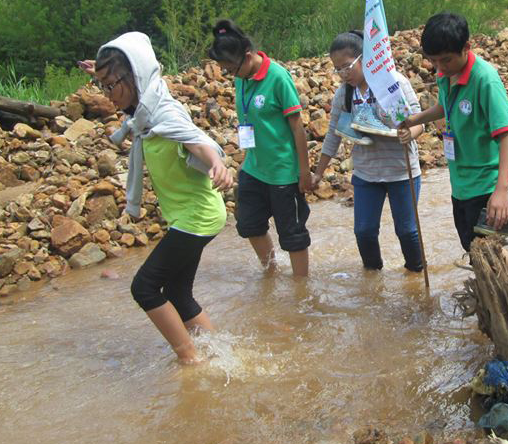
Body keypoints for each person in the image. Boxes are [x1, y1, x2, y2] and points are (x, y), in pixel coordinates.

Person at [80, 32, 233, 364]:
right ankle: (221, 353)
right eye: (101, 86)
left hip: (197, 216)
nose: (107, 95)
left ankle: (191, 360)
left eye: (110, 85)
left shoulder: (164, 114)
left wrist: (217, 163)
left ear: (135, 77)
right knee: (178, 293)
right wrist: (100, 73)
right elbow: (130, 95)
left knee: (144, 288)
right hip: (189, 216)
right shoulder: (145, 111)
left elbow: (195, 140)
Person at [398, 12, 508, 288]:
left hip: (486, 182)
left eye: (445, 60)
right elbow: (445, 107)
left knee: (486, 248)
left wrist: (502, 191)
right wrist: (415, 120)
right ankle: (499, 298)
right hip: (461, 182)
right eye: (433, 61)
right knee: (474, 248)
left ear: (466, 48)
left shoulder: (485, 80)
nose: (440, 67)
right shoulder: (446, 75)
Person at [314, 30, 426, 273]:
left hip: (401, 171)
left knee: (407, 231)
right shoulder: (345, 93)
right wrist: (318, 173)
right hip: (366, 174)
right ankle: (373, 280)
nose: (344, 74)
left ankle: (415, 276)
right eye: (338, 70)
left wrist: (410, 133)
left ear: (364, 58)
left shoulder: (393, 83)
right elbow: (333, 133)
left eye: (347, 67)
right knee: (364, 231)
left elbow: (418, 120)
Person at [208, 19, 313, 277]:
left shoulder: (278, 77)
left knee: (293, 235)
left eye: (231, 68)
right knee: (249, 224)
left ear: (247, 56)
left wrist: (304, 171)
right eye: (225, 70)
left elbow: (297, 126)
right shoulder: (241, 79)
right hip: (254, 168)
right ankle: (271, 273)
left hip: (283, 171)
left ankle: (301, 288)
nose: (230, 74)